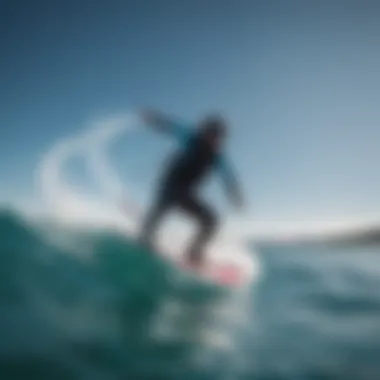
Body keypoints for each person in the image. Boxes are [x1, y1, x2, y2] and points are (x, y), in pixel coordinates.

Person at [139, 109, 243, 268]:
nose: (216, 139)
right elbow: (172, 127)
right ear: (206, 130)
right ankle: (146, 236)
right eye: (213, 133)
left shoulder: (217, 156)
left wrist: (235, 194)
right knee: (151, 228)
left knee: (211, 221)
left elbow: (228, 176)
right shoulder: (192, 138)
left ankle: (193, 252)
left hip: (186, 193)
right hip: (169, 187)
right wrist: (154, 119)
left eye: (219, 136)